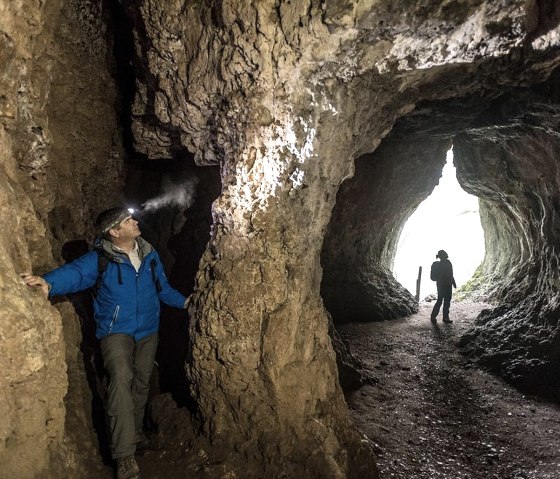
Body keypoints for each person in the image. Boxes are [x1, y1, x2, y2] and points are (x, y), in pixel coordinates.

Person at [22, 207, 187, 479]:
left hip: (147, 329)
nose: (135, 222)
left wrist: (185, 302)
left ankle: (134, 434)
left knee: (141, 381)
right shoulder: (100, 259)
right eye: (128, 220)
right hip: (115, 331)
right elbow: (74, 274)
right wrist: (47, 283)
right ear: (114, 231)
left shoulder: (149, 253)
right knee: (121, 379)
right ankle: (124, 455)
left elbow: (163, 289)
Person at [430, 249, 456, 324]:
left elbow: (451, 274)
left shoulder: (446, 263)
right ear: (443, 256)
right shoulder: (442, 264)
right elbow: (449, 274)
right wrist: (453, 282)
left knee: (444, 301)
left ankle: (439, 317)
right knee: (441, 301)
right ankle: (438, 317)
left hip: (444, 284)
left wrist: (453, 282)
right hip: (444, 285)